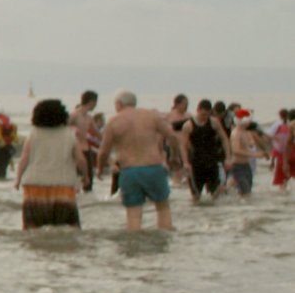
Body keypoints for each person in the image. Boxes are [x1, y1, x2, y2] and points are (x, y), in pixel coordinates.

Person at [101, 90, 180, 231]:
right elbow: (172, 137)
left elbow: (103, 152)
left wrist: (102, 168)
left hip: (129, 171)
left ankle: (134, 242)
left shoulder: (114, 121)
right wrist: (174, 156)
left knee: (134, 214)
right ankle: (166, 239)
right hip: (153, 168)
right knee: (162, 207)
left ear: (119, 104)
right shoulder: (150, 115)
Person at [15, 98, 86, 228]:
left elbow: (24, 159)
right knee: (70, 228)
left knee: (32, 229)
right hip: (63, 186)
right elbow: (80, 159)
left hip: (34, 186)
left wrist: (18, 179)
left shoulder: (33, 134)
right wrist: (85, 177)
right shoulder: (70, 135)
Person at [182, 98, 227, 203]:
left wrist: (228, 157)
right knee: (196, 196)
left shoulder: (214, 122)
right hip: (196, 163)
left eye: (207, 114)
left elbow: (224, 139)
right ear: (198, 110)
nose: (205, 117)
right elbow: (183, 145)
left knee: (215, 194)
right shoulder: (188, 125)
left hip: (212, 161)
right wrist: (185, 162)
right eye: (203, 114)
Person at [228, 109, 266, 199]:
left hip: (247, 166)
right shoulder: (237, 133)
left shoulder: (245, 132)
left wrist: (260, 152)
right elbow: (236, 150)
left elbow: (251, 144)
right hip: (238, 166)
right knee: (246, 193)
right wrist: (254, 154)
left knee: (247, 193)